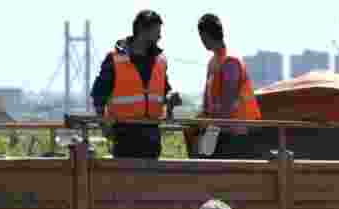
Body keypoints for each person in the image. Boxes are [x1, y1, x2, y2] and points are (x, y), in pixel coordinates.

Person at [91, 10, 181, 159]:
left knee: (150, 181)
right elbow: (98, 96)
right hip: (124, 135)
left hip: (152, 136)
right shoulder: (114, 59)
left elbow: (164, 91)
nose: (160, 36)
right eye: (156, 32)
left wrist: (171, 97)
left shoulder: (160, 60)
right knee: (126, 181)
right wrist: (104, 127)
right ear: (142, 31)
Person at [195, 13, 261, 158]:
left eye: (201, 37)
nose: (201, 41)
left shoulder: (230, 61)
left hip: (236, 133)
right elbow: (208, 102)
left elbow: (227, 103)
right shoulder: (213, 62)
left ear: (206, 35)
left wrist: (209, 132)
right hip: (221, 130)